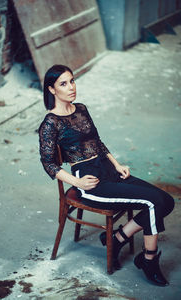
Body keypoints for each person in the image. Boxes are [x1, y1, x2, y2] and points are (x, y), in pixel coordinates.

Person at [38, 64, 174, 286]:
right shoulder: (50, 123)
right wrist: (77, 182)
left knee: (166, 202)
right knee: (153, 203)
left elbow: (98, 143)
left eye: (72, 81)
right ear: (52, 90)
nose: (71, 87)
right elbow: (48, 163)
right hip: (90, 181)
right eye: (63, 83)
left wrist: (117, 164)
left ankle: (117, 238)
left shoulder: (81, 109)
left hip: (108, 170)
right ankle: (149, 260)